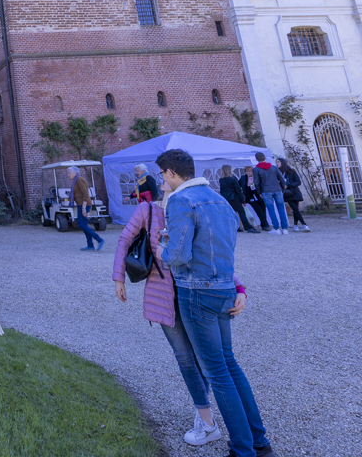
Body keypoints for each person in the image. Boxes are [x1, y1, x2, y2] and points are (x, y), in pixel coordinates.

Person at [159, 148, 276, 457]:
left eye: (162, 175)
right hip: (224, 287)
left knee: (217, 373)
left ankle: (242, 449)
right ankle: (259, 442)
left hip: (196, 291)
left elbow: (179, 255)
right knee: (230, 365)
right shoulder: (219, 200)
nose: (163, 180)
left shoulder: (180, 201)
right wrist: (237, 285)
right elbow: (226, 246)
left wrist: (162, 250)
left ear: (171, 173)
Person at [113, 194, 249, 447]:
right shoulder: (148, 210)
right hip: (164, 297)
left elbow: (212, 256)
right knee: (186, 359)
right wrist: (118, 277)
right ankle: (206, 420)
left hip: (198, 295)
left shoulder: (192, 208)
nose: (167, 187)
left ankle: (212, 417)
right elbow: (125, 240)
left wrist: (238, 287)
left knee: (207, 358)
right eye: (164, 183)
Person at [68, 166, 104, 252]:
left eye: (69, 173)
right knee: (84, 224)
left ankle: (99, 239)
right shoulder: (77, 180)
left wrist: (83, 208)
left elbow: (85, 194)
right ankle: (90, 245)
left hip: (84, 204)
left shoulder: (79, 180)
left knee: (81, 224)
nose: (68, 175)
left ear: (75, 173)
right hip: (82, 204)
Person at [253, 152, 288, 236]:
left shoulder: (256, 169)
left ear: (256, 159)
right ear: (265, 158)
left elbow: (256, 182)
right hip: (277, 190)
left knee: (271, 209)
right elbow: (282, 179)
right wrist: (282, 189)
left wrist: (259, 192)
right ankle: (284, 228)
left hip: (266, 191)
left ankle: (276, 228)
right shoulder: (274, 168)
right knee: (281, 208)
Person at [220, 165, 259, 234]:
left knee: (231, 214)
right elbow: (238, 190)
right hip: (234, 198)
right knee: (241, 213)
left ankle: (236, 227)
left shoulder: (221, 179)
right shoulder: (233, 178)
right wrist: (243, 200)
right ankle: (248, 227)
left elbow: (222, 190)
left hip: (226, 198)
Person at [276, 158, 310, 232]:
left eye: (278, 162)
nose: (277, 163)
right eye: (276, 162)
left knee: (295, 209)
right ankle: (304, 224)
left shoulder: (291, 171)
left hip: (294, 192)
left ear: (283, 163)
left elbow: (298, 182)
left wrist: (288, 185)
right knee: (295, 208)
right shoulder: (277, 172)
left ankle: (295, 225)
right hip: (287, 194)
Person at [241, 166, 269, 231]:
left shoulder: (257, 177)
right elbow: (239, 185)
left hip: (259, 196)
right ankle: (266, 225)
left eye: (249, 171)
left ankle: (263, 225)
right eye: (247, 171)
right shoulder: (243, 178)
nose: (248, 173)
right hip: (250, 197)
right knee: (259, 211)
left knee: (263, 210)